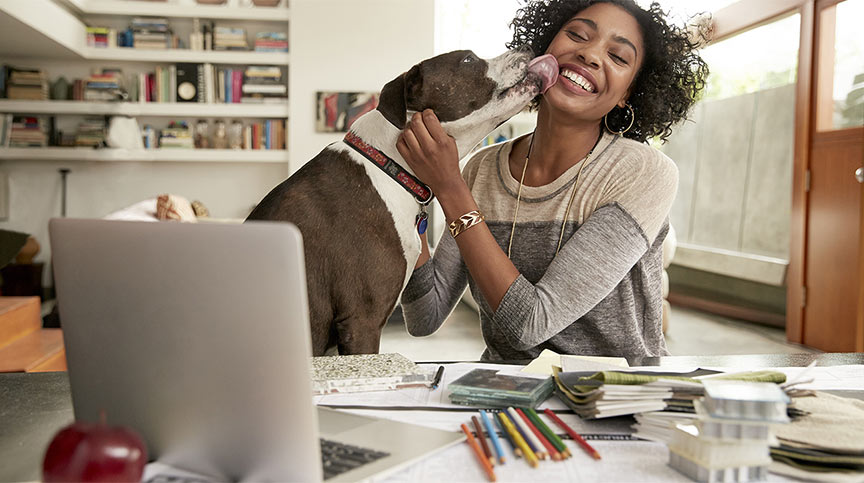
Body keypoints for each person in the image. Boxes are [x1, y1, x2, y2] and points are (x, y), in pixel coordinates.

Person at [395, 0, 709, 361]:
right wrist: (414, 189)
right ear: (546, 51)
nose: (590, 54)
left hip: (612, 400)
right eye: (577, 34)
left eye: (618, 57)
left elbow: (531, 324)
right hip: (506, 393)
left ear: (627, 95)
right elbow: (424, 317)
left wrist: (450, 189)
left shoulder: (643, 172)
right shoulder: (481, 169)